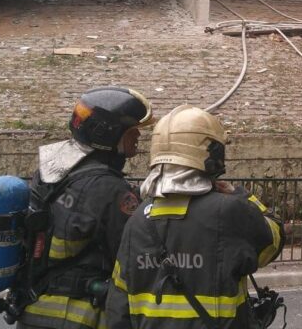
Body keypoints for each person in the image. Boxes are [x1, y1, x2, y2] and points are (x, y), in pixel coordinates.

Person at [106, 105, 283, 328]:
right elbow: (273, 241)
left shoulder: (138, 219)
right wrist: (243, 197)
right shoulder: (229, 211)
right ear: (212, 152)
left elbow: (118, 306)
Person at [13, 86, 153, 329]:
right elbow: (135, 254)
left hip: (32, 308)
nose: (138, 137)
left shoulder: (51, 173)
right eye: (132, 132)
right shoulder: (111, 189)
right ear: (109, 135)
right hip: (79, 316)